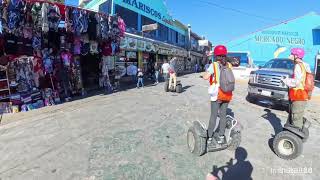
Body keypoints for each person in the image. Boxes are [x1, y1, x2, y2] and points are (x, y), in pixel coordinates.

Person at [202, 45, 234, 144]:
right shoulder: (229, 65)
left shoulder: (214, 65)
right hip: (227, 93)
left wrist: (205, 73)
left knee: (214, 116)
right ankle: (221, 137)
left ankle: (210, 137)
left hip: (217, 93)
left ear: (216, 55)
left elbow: (206, 77)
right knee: (223, 115)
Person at [283, 48, 311, 130]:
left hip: (299, 95)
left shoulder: (298, 66)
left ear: (296, 56)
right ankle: (303, 127)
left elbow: (296, 82)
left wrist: (286, 81)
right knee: (299, 114)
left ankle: (297, 136)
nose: (290, 55)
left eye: (292, 54)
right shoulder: (304, 65)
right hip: (303, 95)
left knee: (296, 117)